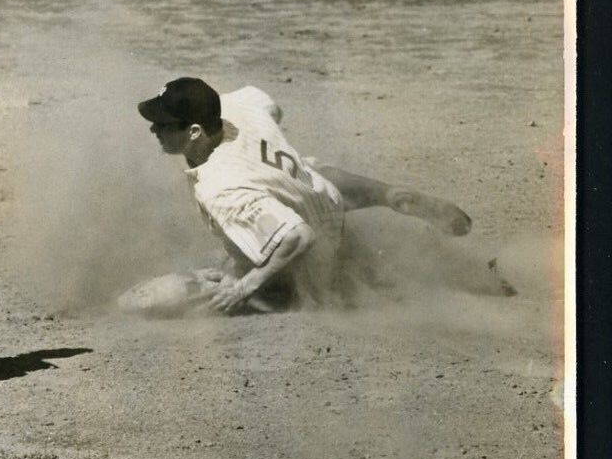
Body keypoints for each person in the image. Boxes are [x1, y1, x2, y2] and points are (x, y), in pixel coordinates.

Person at [120, 76, 477, 316]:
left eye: (163, 124)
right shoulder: (233, 111)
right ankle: (388, 194)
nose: (154, 128)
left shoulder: (221, 189)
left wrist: (244, 286)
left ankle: (371, 276)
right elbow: (265, 102)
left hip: (315, 252)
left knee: (157, 298)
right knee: (307, 170)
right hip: (325, 196)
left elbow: (297, 235)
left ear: (195, 131)